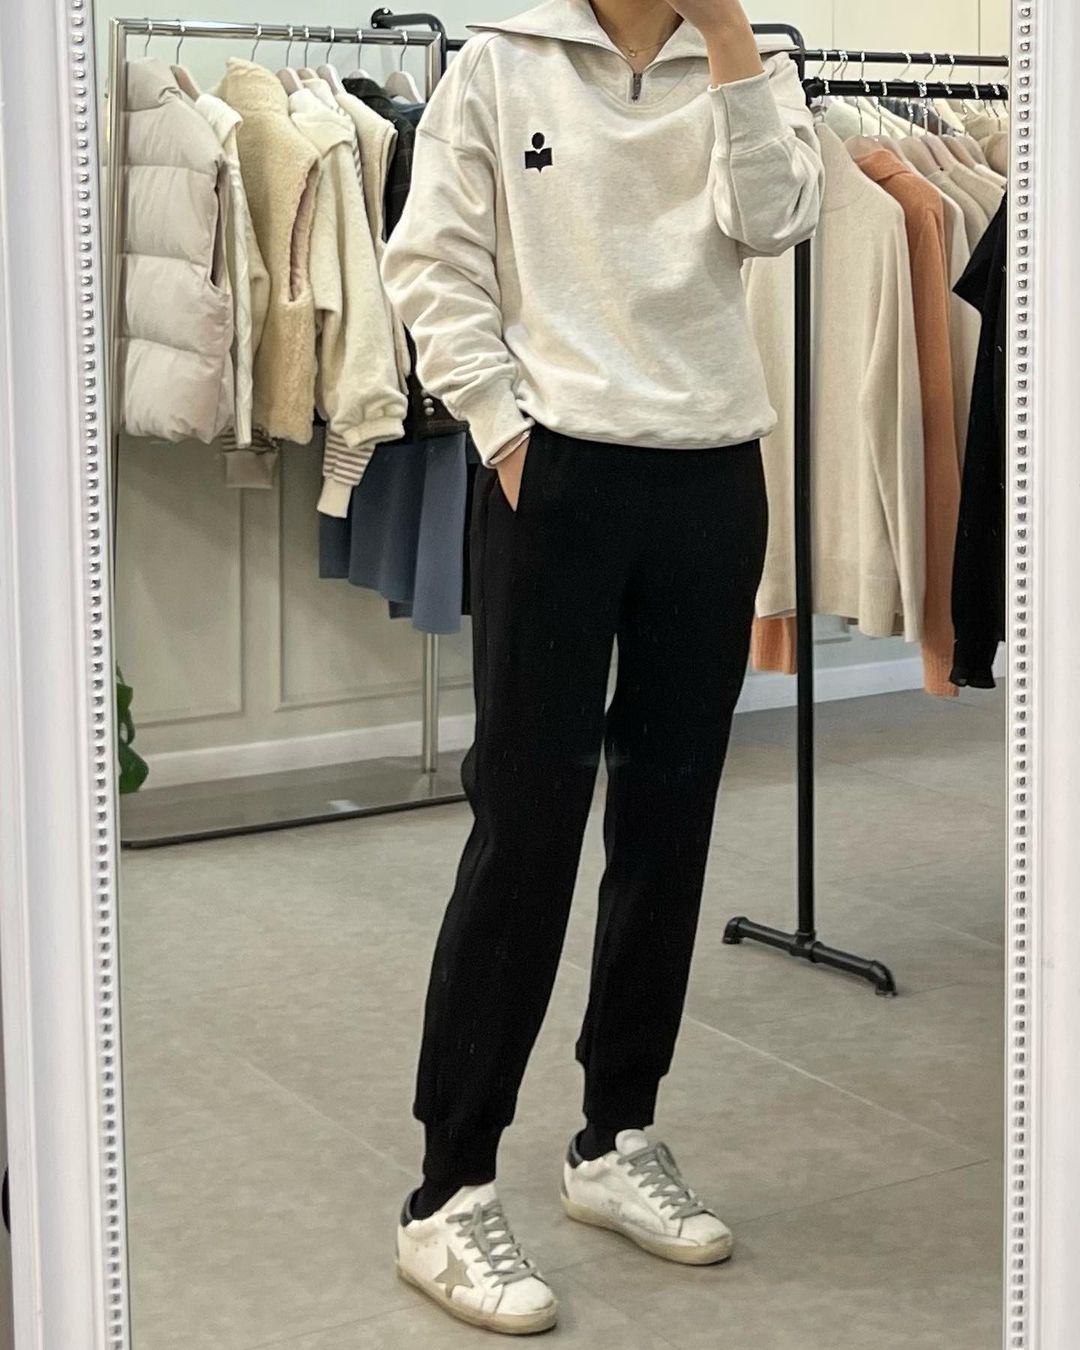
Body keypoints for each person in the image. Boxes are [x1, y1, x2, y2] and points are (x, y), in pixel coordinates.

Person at [381, 0, 822, 1331]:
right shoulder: (499, 64)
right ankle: (448, 1190)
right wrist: (508, 433)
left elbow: (775, 220)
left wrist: (732, 42)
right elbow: (430, 262)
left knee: (669, 822)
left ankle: (615, 1134)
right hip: (555, 476)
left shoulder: (757, 67)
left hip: (713, 477)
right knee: (526, 825)